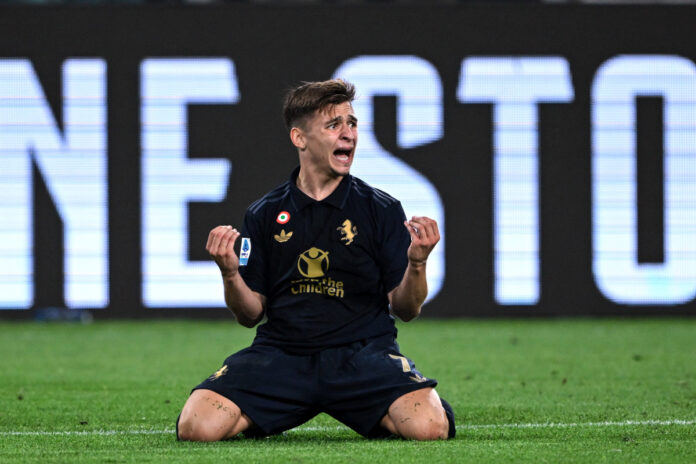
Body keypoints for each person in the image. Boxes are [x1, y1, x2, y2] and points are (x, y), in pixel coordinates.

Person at [176, 79, 455, 441]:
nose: (348, 133)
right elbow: (249, 315)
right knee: (196, 427)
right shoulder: (264, 213)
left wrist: (417, 264)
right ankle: (282, 407)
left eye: (352, 123)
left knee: (428, 427)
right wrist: (230, 273)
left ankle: (386, 402)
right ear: (300, 138)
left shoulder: (381, 209)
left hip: (363, 356)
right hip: (282, 355)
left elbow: (407, 309)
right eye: (334, 124)